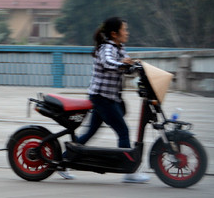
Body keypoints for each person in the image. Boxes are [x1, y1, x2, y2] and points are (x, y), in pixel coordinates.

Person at [57, 16, 150, 183]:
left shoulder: (120, 48)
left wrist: (134, 66)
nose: (127, 33)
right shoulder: (106, 48)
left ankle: (61, 162)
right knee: (123, 131)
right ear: (114, 34)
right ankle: (129, 172)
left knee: (90, 132)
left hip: (106, 97)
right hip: (102, 98)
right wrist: (123, 64)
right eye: (124, 30)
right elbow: (109, 63)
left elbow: (124, 66)